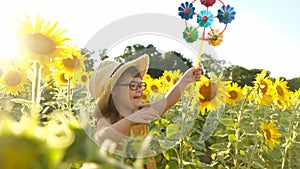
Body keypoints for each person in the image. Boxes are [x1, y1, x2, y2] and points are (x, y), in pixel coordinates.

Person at [89, 54, 202, 169]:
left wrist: (185, 80)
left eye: (140, 85)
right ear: (114, 91)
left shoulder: (141, 111)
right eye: (132, 85)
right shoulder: (107, 118)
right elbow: (102, 137)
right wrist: (129, 121)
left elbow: (167, 101)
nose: (139, 90)